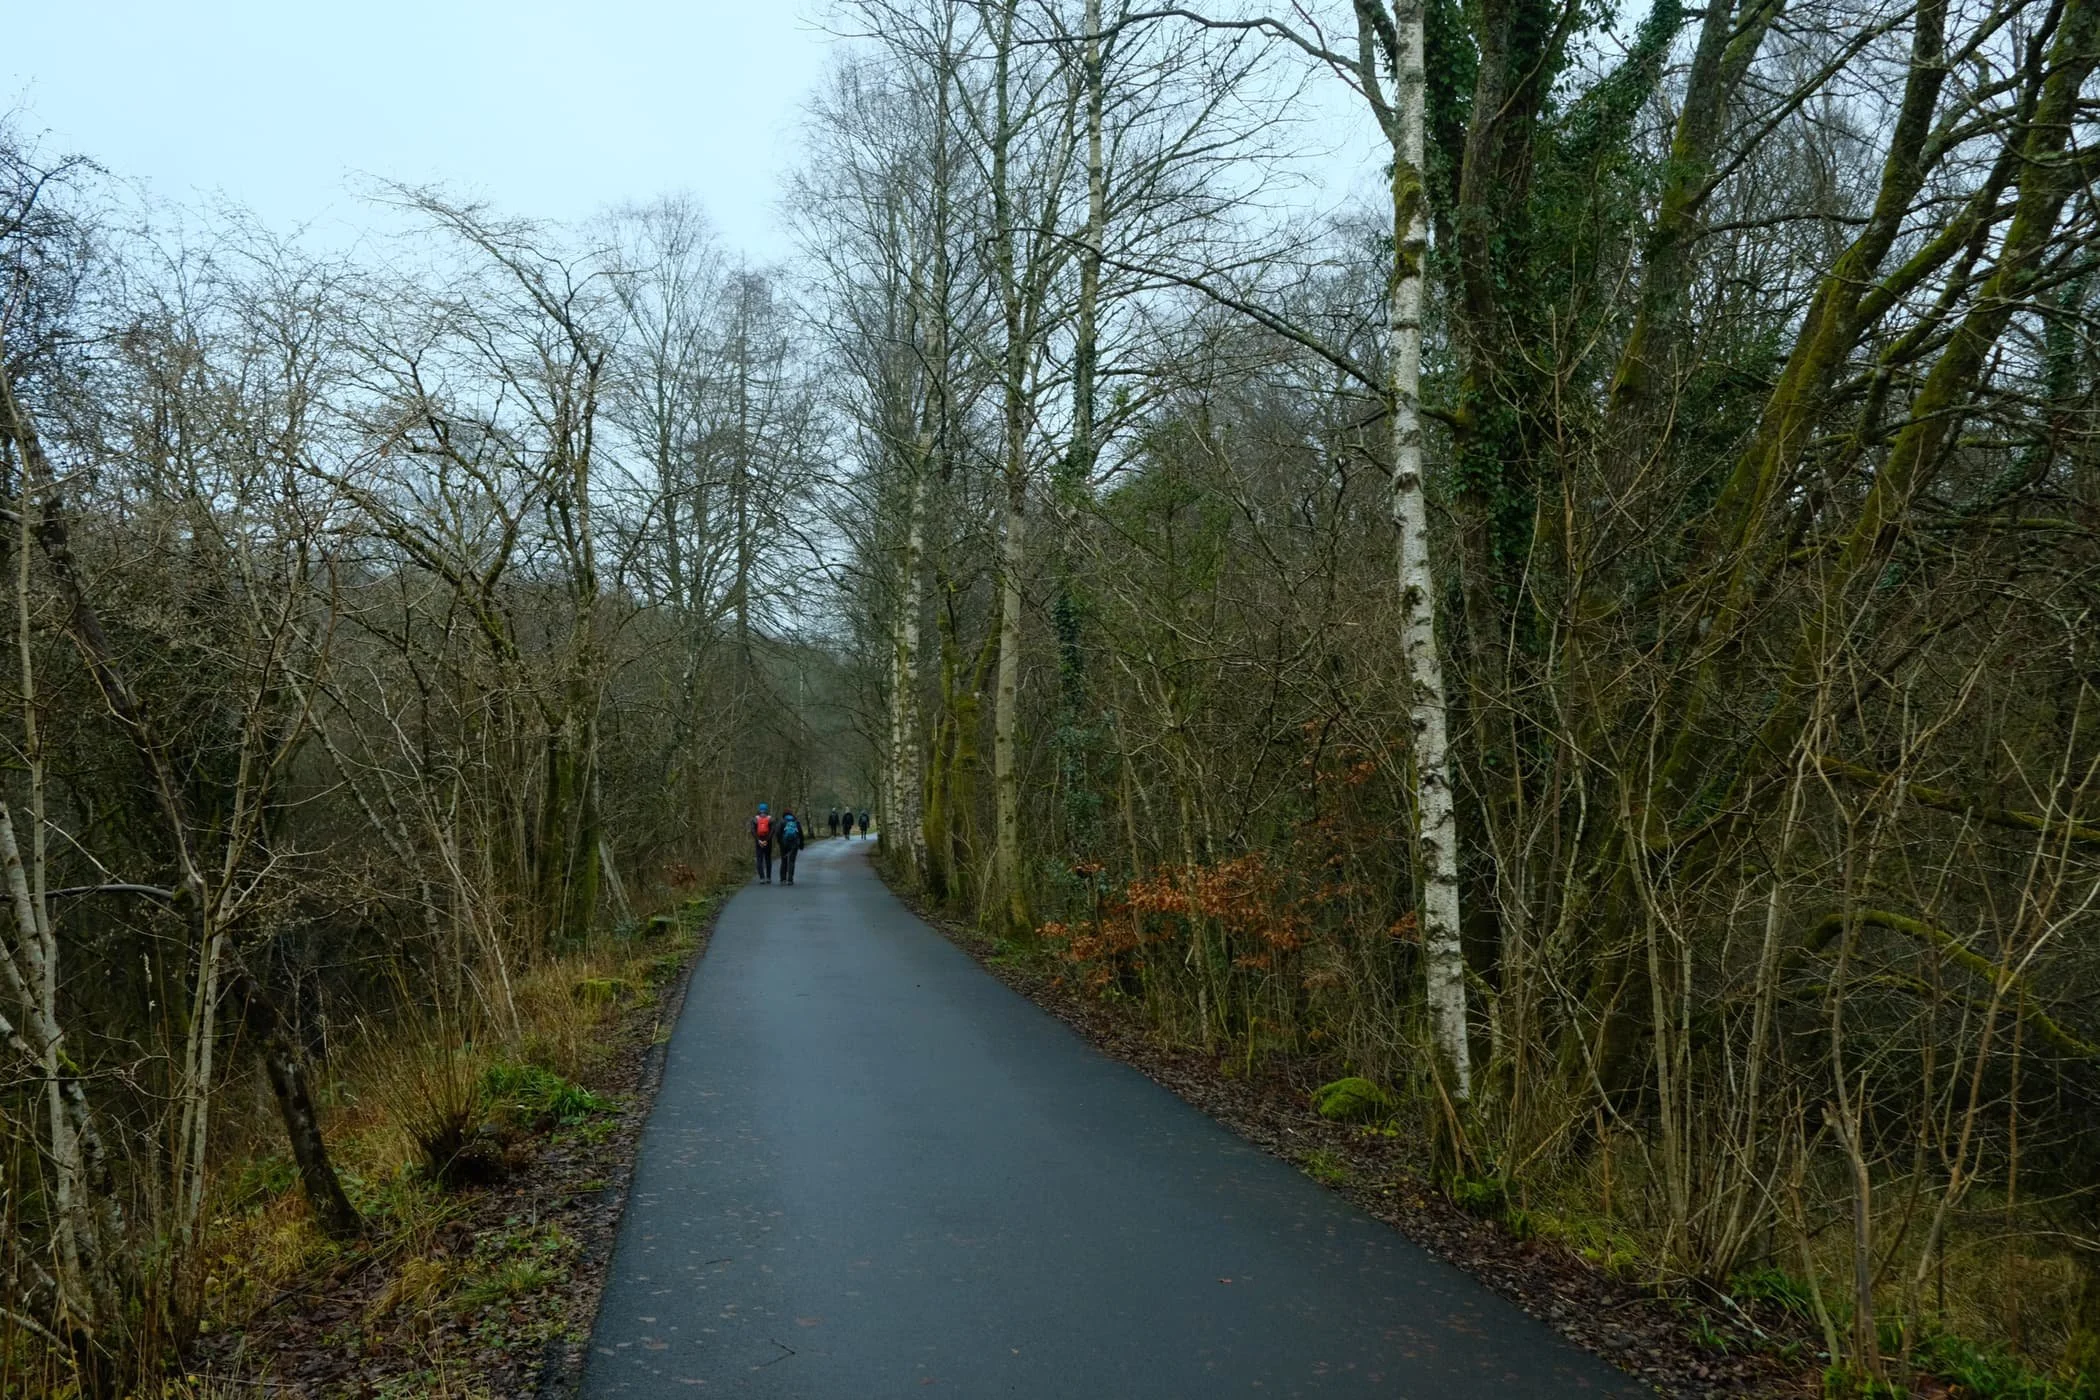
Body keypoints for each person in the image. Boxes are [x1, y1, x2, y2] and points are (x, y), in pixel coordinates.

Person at [749, 802, 776, 884]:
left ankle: (761, 878)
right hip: (768, 841)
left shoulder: (755, 819)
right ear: (766, 809)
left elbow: (753, 831)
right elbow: (772, 830)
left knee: (759, 859)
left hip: (759, 841)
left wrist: (758, 840)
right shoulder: (770, 819)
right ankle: (768, 878)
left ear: (759, 809)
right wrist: (767, 840)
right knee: (768, 859)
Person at [778, 808, 804, 884]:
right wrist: (801, 844)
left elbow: (778, 833)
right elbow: (801, 834)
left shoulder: (782, 821)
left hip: (784, 844)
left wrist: (780, 843)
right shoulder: (796, 821)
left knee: (784, 861)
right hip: (794, 844)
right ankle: (790, 880)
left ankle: (783, 879)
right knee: (791, 861)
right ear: (792, 814)